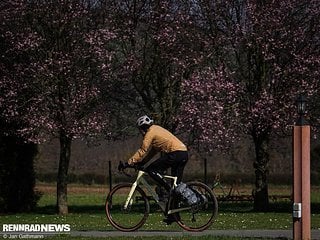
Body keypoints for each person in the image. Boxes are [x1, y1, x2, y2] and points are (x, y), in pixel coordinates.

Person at [122, 115, 188, 224]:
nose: (141, 132)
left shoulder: (150, 133)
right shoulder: (157, 129)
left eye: (141, 129)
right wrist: (142, 162)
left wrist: (129, 162)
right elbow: (153, 152)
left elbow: (143, 150)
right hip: (183, 154)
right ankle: (174, 216)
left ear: (144, 127)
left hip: (175, 153)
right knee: (176, 187)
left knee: (151, 170)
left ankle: (167, 190)